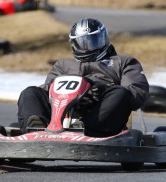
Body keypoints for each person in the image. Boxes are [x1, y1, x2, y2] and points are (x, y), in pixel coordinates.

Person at [17, 18, 149, 137]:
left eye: (93, 42)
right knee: (30, 92)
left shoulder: (123, 62)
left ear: (104, 40)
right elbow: (48, 90)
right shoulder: (63, 65)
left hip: (101, 109)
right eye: (82, 43)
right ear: (74, 44)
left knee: (121, 94)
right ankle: (36, 129)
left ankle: (85, 127)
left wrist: (102, 90)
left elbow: (137, 93)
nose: (87, 48)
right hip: (64, 105)